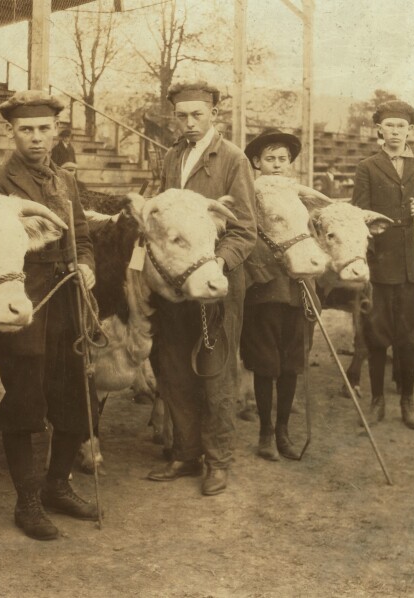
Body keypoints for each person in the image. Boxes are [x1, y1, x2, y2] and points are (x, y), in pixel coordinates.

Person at [0, 90, 99, 541]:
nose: (35, 138)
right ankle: (26, 501)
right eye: (26, 130)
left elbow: (82, 236)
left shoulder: (65, 182)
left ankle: (56, 486)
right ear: (11, 132)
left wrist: (86, 264)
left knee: (75, 394)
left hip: (69, 304)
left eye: (44, 129)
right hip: (27, 302)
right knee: (25, 401)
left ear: (56, 131)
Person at [145, 82, 256, 495]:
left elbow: (245, 230)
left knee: (216, 372)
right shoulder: (172, 157)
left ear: (214, 115)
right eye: (182, 115)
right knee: (173, 368)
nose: (189, 123)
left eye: (197, 115)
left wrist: (217, 265)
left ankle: (218, 460)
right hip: (175, 283)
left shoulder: (232, 159)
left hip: (216, 283)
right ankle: (185, 453)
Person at [351, 99, 414, 430]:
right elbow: (358, 213)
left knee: (410, 338)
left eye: (401, 126)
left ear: (410, 130)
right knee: (378, 335)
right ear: (380, 129)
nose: (395, 131)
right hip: (381, 266)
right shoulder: (367, 166)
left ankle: (407, 400)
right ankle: (377, 400)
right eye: (389, 125)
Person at [240, 129, 317, 460]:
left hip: (297, 286)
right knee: (266, 363)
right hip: (266, 286)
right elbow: (247, 235)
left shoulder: (298, 196)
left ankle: (284, 430)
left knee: (291, 362)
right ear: (256, 163)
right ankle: (265, 432)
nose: (276, 165)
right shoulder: (252, 195)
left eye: (282, 159)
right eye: (269, 159)